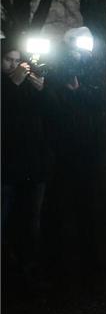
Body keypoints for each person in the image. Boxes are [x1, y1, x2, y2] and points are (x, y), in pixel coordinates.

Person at [1, 41, 48, 272]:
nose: (13, 65)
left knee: (30, 219)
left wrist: (42, 91)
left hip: (31, 166)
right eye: (8, 59)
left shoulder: (29, 86)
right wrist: (14, 83)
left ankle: (28, 265)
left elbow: (45, 118)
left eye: (16, 60)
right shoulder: (8, 85)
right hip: (7, 168)